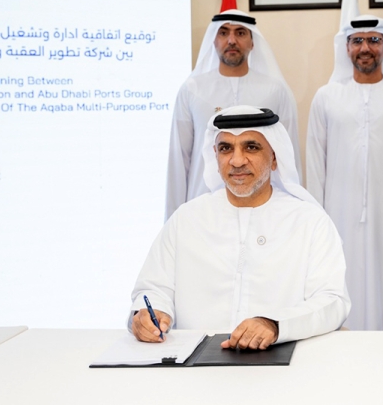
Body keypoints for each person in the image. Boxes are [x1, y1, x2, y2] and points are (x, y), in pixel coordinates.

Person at [131, 106, 350, 349]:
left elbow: (332, 301)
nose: (237, 161)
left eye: (251, 147)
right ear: (215, 157)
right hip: (195, 364)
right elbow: (153, 288)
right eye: (226, 149)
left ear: (274, 157)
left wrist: (275, 324)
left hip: (282, 361)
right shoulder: (186, 219)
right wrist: (148, 314)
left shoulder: (310, 222)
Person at [307, 15, 383, 330]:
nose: (365, 48)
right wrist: (316, 222)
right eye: (357, 40)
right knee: (340, 286)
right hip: (337, 217)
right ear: (346, 47)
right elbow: (316, 164)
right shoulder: (326, 97)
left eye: (374, 40)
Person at [164, 10, 300, 221]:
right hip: (203, 208)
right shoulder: (192, 90)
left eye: (240, 33)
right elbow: (179, 159)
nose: (231, 40)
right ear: (214, 40)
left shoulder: (275, 90)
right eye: (223, 32)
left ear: (252, 42)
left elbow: (287, 156)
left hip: (264, 209)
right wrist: (174, 219)